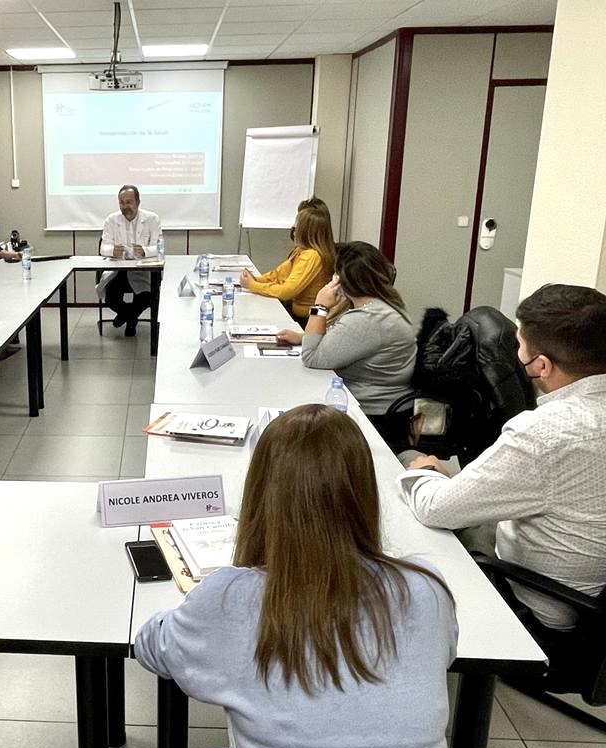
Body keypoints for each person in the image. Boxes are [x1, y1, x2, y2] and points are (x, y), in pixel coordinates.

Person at [135, 405, 457, 748]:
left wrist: (196, 609)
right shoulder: (425, 587)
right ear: (364, 492)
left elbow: (152, 648)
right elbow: (442, 656)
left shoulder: (232, 598)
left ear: (262, 496)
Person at [399, 283, 606, 638]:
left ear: (542, 366)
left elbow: (435, 508)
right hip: (593, 592)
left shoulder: (543, 433)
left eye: (520, 351)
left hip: (545, 610)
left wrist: (425, 471)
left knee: (410, 466)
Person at [278, 241, 415, 445]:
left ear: (343, 281)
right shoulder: (382, 304)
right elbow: (339, 340)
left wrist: (320, 306)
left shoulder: (367, 319)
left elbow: (311, 357)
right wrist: (303, 337)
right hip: (387, 408)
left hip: (374, 417)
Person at [241, 202, 336, 323]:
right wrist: (255, 280)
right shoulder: (301, 251)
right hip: (296, 311)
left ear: (305, 230)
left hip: (305, 319)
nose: (293, 229)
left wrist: (252, 285)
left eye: (297, 227)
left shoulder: (312, 256)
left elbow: (288, 291)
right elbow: (279, 274)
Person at [98, 184, 162, 336]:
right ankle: (130, 316)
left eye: (129, 202)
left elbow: (159, 247)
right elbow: (103, 248)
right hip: (119, 271)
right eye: (122, 202)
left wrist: (144, 251)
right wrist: (112, 250)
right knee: (110, 297)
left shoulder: (152, 219)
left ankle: (129, 317)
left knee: (148, 296)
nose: (125, 206)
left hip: (143, 270)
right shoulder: (111, 220)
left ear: (138, 203)